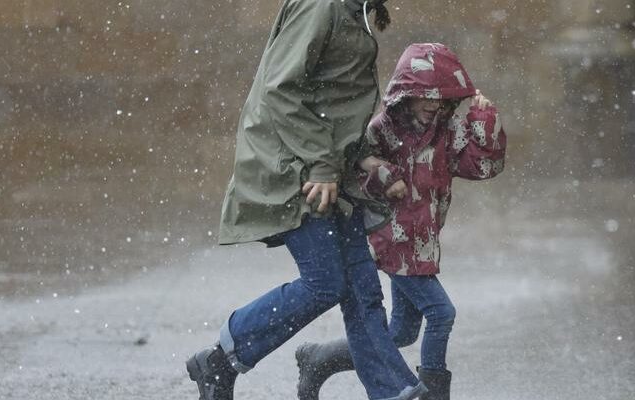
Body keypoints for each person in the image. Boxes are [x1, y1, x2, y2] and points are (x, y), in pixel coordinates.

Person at [185, 1, 428, 399]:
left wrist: (358, 152)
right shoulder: (323, 5)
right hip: (295, 168)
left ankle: (394, 392)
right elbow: (281, 90)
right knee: (326, 283)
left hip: (328, 168)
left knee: (360, 290)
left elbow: (334, 96)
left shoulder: (352, 8)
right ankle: (221, 358)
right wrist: (320, 163)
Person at [294, 43, 507, 400]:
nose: (434, 104)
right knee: (441, 314)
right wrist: (386, 176)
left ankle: (320, 357)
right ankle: (432, 393)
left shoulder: (445, 132)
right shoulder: (383, 129)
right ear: (406, 94)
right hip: (391, 239)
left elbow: (482, 167)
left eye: (442, 98)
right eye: (426, 96)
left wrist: (483, 121)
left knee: (401, 332)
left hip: (422, 242)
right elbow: (356, 169)